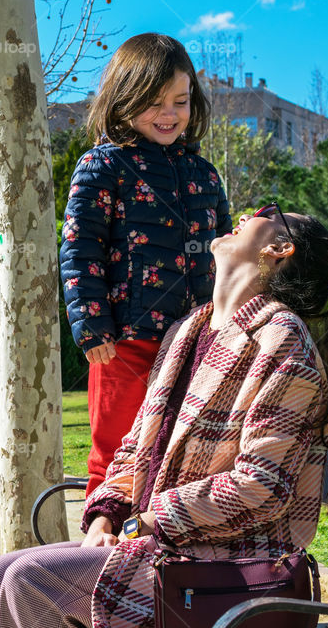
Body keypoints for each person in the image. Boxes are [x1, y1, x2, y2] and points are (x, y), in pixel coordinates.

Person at [0, 205, 328, 628]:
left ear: (278, 249)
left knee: (31, 583)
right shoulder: (187, 330)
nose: (248, 212)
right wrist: (106, 518)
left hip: (225, 565)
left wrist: (145, 523)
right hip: (159, 546)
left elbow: (261, 485)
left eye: (265, 212)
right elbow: (135, 447)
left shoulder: (283, 341)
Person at [59, 33, 232, 495]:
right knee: (116, 455)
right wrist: (91, 325)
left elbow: (224, 255)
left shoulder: (205, 175)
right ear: (123, 99)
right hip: (124, 344)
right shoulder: (102, 166)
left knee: (185, 455)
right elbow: (81, 248)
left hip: (196, 343)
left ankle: (166, 556)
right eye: (155, 103)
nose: (170, 114)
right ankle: (103, 547)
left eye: (181, 100)